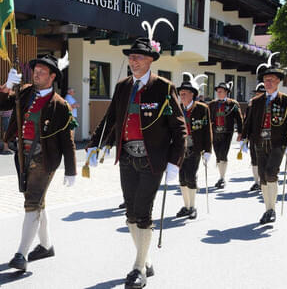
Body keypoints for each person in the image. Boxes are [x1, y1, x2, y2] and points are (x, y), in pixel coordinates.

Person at [86, 34, 186, 289]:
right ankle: (146, 258)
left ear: (151, 60)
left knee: (143, 212)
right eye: (131, 57)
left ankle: (138, 268)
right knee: (130, 213)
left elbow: (179, 128)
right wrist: (94, 146)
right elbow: (110, 119)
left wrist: (175, 162)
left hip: (153, 160)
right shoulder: (122, 86)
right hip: (128, 157)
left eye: (138, 56)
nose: (133, 61)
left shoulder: (164, 87)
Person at [0, 53, 77, 271]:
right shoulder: (26, 91)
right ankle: (46, 245)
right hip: (21, 155)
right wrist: (8, 86)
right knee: (38, 202)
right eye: (35, 71)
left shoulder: (61, 106)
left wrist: (71, 170)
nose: (36, 74)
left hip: (44, 159)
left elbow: (67, 141)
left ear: (52, 77)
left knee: (31, 203)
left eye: (41, 72)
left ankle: (21, 254)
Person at [242, 52, 287, 224]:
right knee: (262, 176)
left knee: (270, 173)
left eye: (272, 80)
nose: (268, 83)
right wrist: (244, 139)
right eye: (266, 80)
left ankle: (271, 209)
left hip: (277, 143)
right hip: (259, 143)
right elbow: (249, 122)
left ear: (278, 82)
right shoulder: (257, 101)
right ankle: (267, 208)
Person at [176, 73, 212, 219]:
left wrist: (208, 150)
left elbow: (207, 129)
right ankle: (186, 206)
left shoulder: (202, 109)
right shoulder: (177, 108)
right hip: (179, 148)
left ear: (192, 94)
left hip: (194, 147)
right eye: (180, 94)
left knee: (191, 176)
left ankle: (192, 206)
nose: (182, 96)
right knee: (182, 178)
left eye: (184, 94)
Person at [208, 82, 243, 188]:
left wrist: (240, 133)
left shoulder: (233, 104)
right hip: (214, 132)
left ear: (226, 92)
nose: (218, 93)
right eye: (217, 91)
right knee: (218, 154)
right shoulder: (212, 104)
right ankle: (221, 176)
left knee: (223, 154)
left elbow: (239, 119)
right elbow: (207, 119)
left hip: (227, 133)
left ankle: (222, 178)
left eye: (221, 91)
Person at [245, 83, 266, 192]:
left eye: (261, 93)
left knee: (265, 160)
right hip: (254, 136)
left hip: (268, 138)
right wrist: (245, 137)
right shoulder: (251, 105)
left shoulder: (271, 105)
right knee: (254, 160)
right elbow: (247, 122)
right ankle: (256, 182)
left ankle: (265, 180)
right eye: (257, 93)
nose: (258, 95)